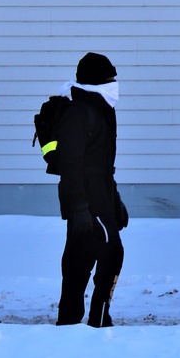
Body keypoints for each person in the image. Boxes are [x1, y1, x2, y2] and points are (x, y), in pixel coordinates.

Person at [56, 52, 127, 327]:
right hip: (87, 199)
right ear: (96, 82)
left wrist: (116, 199)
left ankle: (69, 322)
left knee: (78, 261)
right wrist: (80, 209)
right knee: (112, 253)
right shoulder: (78, 112)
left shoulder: (102, 109)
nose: (114, 85)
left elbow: (104, 164)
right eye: (109, 80)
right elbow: (70, 166)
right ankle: (98, 319)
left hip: (101, 195)